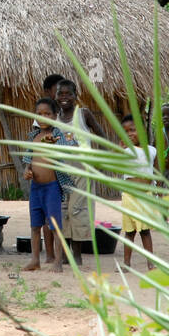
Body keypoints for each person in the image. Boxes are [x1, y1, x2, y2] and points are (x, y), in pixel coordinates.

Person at [54, 78, 108, 267]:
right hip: (61, 170)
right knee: (63, 210)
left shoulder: (83, 114)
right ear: (55, 96)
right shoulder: (54, 118)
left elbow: (102, 136)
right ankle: (66, 252)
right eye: (60, 93)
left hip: (82, 170)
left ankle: (77, 255)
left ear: (76, 96)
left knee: (77, 210)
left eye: (68, 93)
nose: (64, 97)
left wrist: (99, 161)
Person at [21, 97, 74, 272]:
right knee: (35, 226)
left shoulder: (58, 135)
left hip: (52, 187)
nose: (43, 117)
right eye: (39, 114)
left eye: (47, 114)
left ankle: (58, 261)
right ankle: (35, 259)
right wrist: (27, 170)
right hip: (36, 188)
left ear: (54, 116)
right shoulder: (33, 136)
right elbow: (29, 159)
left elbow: (69, 145)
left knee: (55, 226)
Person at [118, 118, 158, 269]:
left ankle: (151, 263)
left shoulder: (151, 151)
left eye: (132, 130)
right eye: (126, 131)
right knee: (129, 232)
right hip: (129, 197)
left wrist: (158, 193)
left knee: (145, 231)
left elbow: (156, 172)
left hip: (145, 196)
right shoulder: (125, 152)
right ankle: (126, 263)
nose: (129, 134)